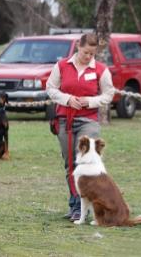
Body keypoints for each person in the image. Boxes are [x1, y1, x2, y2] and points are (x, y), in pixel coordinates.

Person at [46, 33, 115, 222]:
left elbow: (109, 94)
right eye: (86, 53)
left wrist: (89, 101)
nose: (88, 57)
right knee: (70, 164)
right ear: (78, 46)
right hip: (64, 120)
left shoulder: (101, 70)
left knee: (85, 163)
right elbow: (51, 89)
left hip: (88, 121)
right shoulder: (61, 66)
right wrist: (67, 99)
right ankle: (75, 205)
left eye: (92, 54)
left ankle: (92, 207)